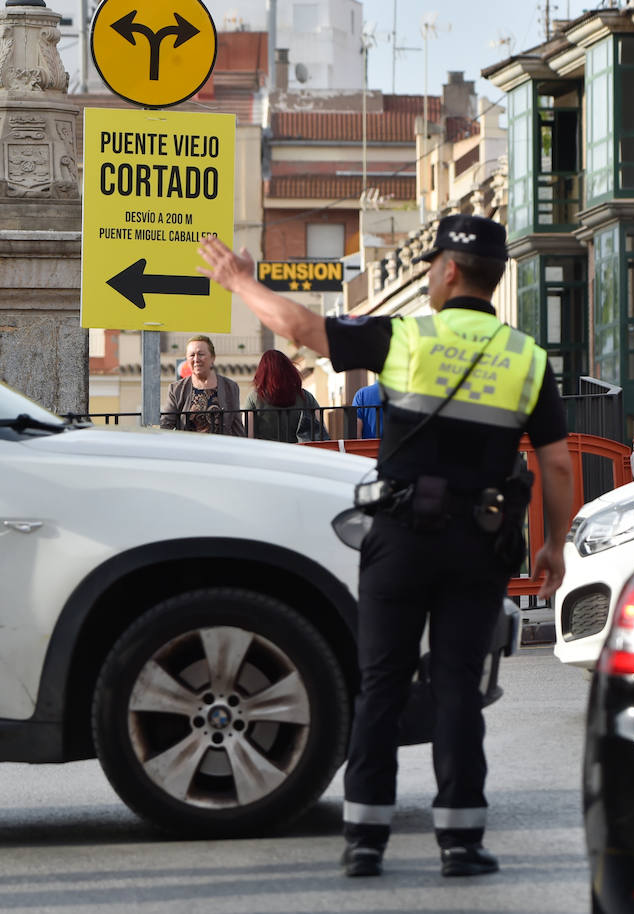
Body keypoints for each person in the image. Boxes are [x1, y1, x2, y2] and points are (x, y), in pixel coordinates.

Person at [198, 214, 574, 880]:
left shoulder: (408, 337)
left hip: (400, 536)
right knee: (459, 686)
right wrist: (555, 547)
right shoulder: (527, 358)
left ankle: (365, 840)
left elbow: (299, 330)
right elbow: (559, 465)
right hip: (480, 542)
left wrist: (238, 280)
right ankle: (461, 843)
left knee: (381, 685)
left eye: (432, 266)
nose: (429, 275)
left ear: (449, 271)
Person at [160, 336, 245, 436]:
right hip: (190, 449)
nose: (196, 359)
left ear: (213, 358)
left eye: (201, 354)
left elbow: (236, 426)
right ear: (187, 360)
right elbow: (166, 424)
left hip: (220, 448)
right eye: (192, 355)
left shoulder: (230, 387)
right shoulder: (176, 389)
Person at [245, 349, 326, 443]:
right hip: (299, 453)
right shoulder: (306, 397)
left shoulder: (255, 398)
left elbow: (248, 435)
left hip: (266, 452)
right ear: (289, 370)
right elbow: (320, 430)